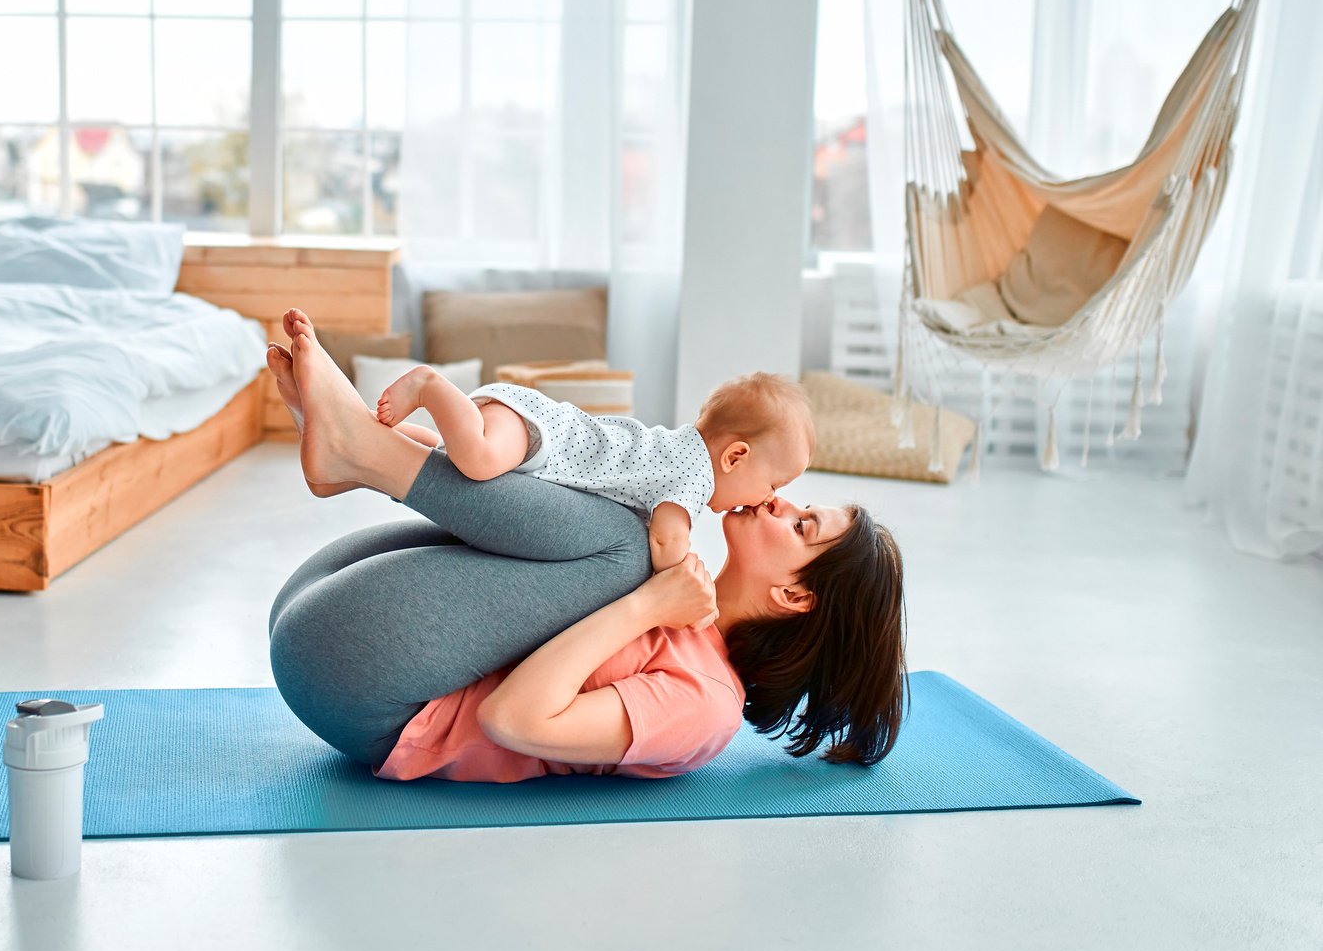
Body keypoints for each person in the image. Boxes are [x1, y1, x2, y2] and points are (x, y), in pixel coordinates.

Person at [265, 308, 906, 783]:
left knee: (628, 549)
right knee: (625, 520)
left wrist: (647, 606)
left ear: (795, 595)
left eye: (802, 525)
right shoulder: (682, 587)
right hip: (326, 601)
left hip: (367, 692)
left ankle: (362, 451)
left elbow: (512, 720)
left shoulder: (705, 702)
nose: (778, 501)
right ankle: (357, 452)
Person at [374, 361, 813, 575]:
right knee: (478, 459)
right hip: (539, 434)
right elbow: (667, 537)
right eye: (773, 482)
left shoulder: (681, 454)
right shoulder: (694, 475)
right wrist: (681, 573)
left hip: (536, 434)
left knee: (444, 461)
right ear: (734, 457)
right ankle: (430, 386)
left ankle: (377, 443)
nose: (772, 497)